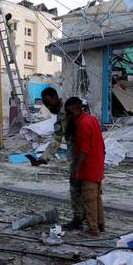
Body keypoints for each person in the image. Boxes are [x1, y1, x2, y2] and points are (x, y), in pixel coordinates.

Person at [31, 87, 83, 230]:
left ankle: (79, 219)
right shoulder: (70, 106)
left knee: (76, 186)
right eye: (46, 105)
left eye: (49, 103)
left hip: (78, 153)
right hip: (84, 151)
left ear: (55, 97)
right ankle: (89, 219)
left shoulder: (63, 113)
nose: (49, 107)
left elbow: (56, 140)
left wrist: (44, 158)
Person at [64, 96, 106, 236]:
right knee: (96, 198)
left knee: (88, 200)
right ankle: (100, 225)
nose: (69, 115)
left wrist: (76, 170)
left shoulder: (82, 125)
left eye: (70, 112)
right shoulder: (92, 119)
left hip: (88, 167)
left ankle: (93, 229)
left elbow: (83, 151)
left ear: (78, 109)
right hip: (97, 164)